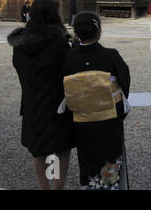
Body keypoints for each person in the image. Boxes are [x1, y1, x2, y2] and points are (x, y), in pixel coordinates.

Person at [7, 0, 74, 190]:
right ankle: (58, 187)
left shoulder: (20, 45)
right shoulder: (59, 43)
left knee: (39, 151)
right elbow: (68, 71)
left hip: (31, 101)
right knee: (61, 149)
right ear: (53, 15)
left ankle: (44, 187)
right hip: (57, 103)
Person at [63, 11, 131, 190]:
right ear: (99, 32)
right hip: (109, 117)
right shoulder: (110, 55)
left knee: (87, 154)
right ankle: (109, 184)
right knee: (110, 153)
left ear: (76, 33)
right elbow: (124, 80)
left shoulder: (69, 57)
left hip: (82, 118)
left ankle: (89, 184)